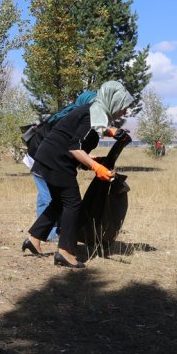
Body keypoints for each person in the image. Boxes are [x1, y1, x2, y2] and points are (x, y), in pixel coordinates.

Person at [21, 81, 134, 268]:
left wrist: (105, 144)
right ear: (113, 101)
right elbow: (75, 148)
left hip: (49, 157)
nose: (124, 111)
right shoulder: (92, 114)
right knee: (73, 204)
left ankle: (33, 240)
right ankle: (65, 252)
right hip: (57, 160)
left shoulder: (94, 113)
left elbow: (79, 140)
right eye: (123, 106)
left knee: (59, 202)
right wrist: (96, 168)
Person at [22, 90, 97, 244]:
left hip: (45, 158)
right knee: (50, 197)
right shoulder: (72, 117)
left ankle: (38, 237)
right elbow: (64, 146)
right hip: (41, 158)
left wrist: (86, 159)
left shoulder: (75, 115)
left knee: (50, 196)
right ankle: (50, 235)